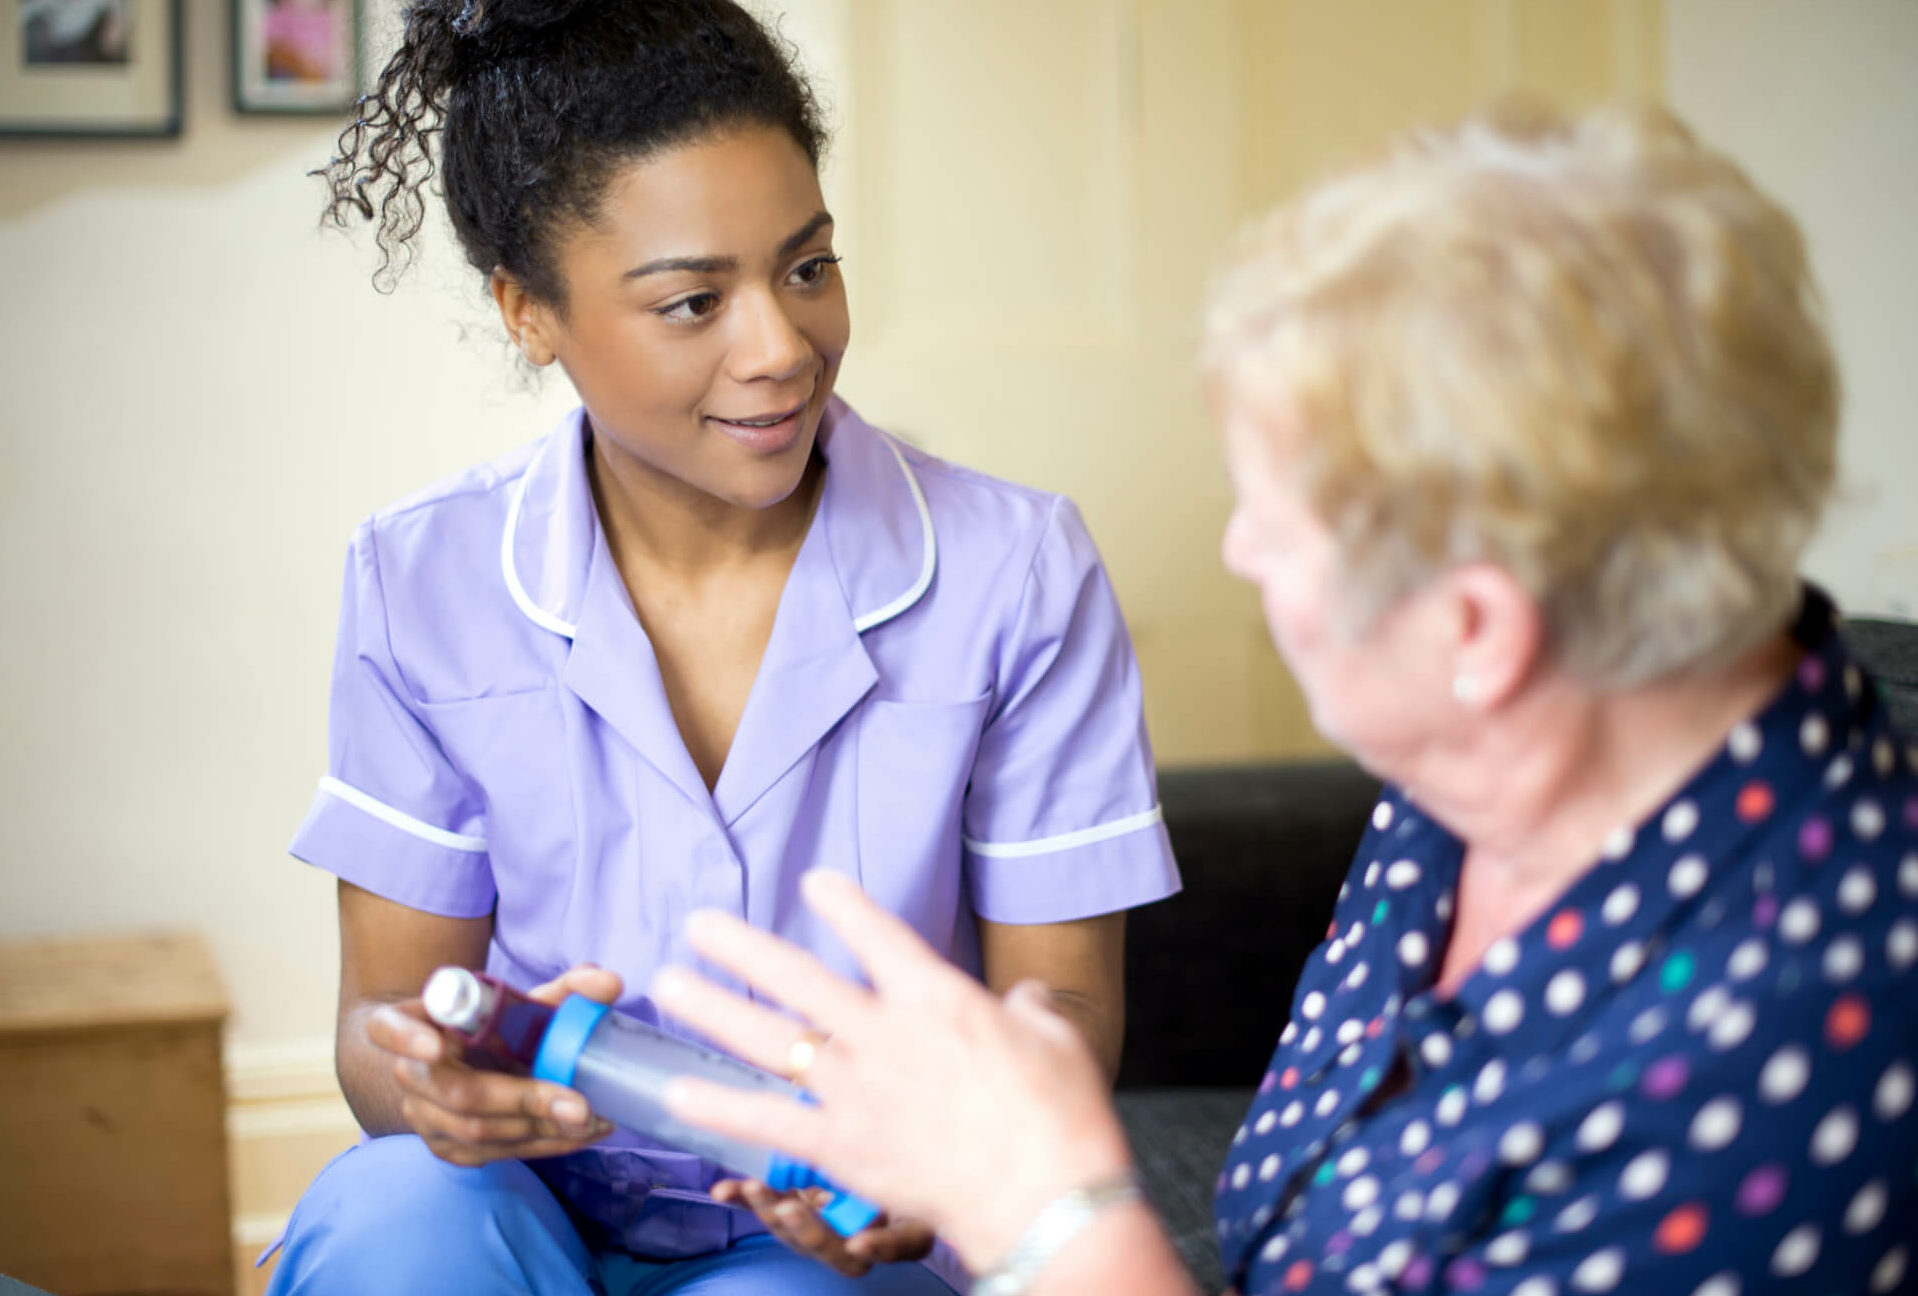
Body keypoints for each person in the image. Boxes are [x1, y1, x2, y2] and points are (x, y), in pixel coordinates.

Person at [650, 101, 1918, 1295]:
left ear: (1474, 628)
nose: (1239, 551)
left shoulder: (1801, 1040)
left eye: (1276, 516)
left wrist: (1044, 1210)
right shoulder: (1481, 765)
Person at [264, 2, 1180, 1293]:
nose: (781, 347)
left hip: (827, 1233)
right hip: (522, 1202)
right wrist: (430, 1091)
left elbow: (1066, 1008)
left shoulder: (1014, 573)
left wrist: (941, 1163)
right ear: (528, 312)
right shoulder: (423, 577)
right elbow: (384, 1026)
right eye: (693, 301)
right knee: (392, 1212)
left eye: (807, 267)